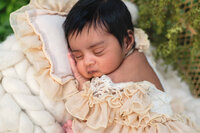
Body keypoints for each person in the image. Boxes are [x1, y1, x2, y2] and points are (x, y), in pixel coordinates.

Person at [62, 0, 198, 132]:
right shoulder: (124, 56)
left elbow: (94, 112)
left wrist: (81, 81)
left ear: (127, 41)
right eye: (78, 56)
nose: (87, 62)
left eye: (98, 51)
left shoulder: (132, 65)